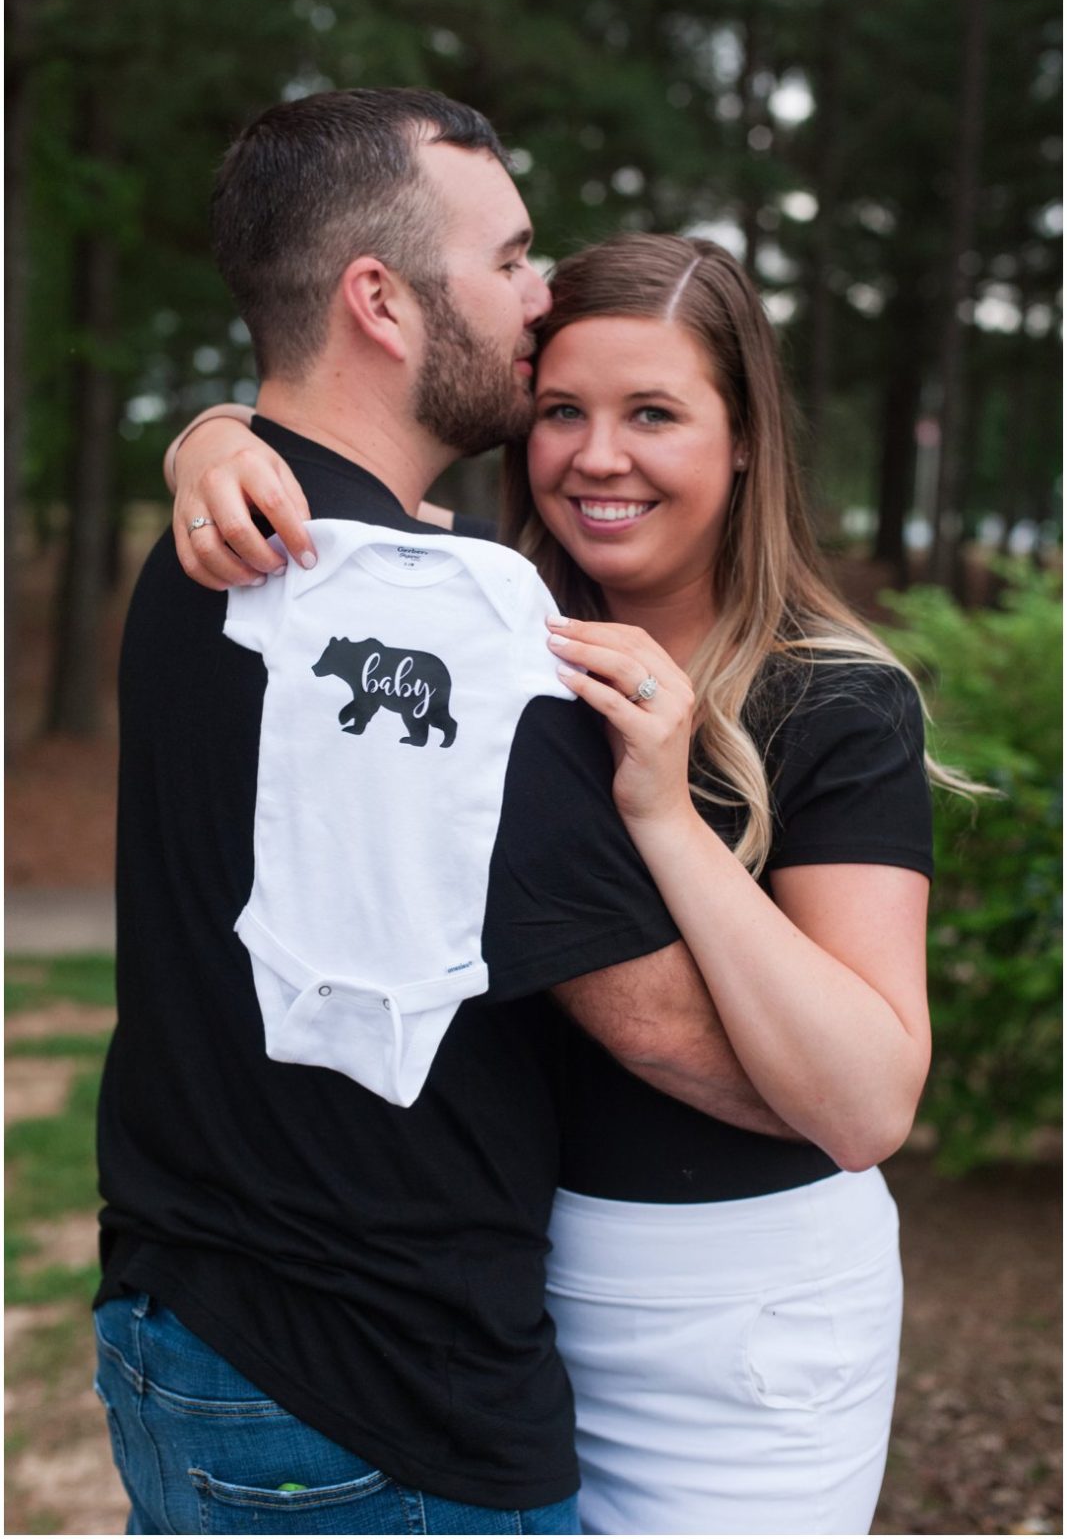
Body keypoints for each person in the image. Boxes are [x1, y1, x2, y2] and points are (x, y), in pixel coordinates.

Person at [167, 227, 976, 1535]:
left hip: (742, 1324)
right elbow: (323, 475)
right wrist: (207, 434)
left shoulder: (835, 701)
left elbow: (871, 1099)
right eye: (561, 412)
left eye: (653, 412)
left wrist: (662, 813)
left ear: (745, 437)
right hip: (510, 1310)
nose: (598, 456)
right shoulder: (481, 639)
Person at [96, 90, 798, 1538]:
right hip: (378, 1399)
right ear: (382, 300)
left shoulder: (209, 549)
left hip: (184, 1330)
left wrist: (206, 428)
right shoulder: (435, 620)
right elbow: (669, 1032)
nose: (540, 303)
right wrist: (838, 1109)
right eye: (514, 259)